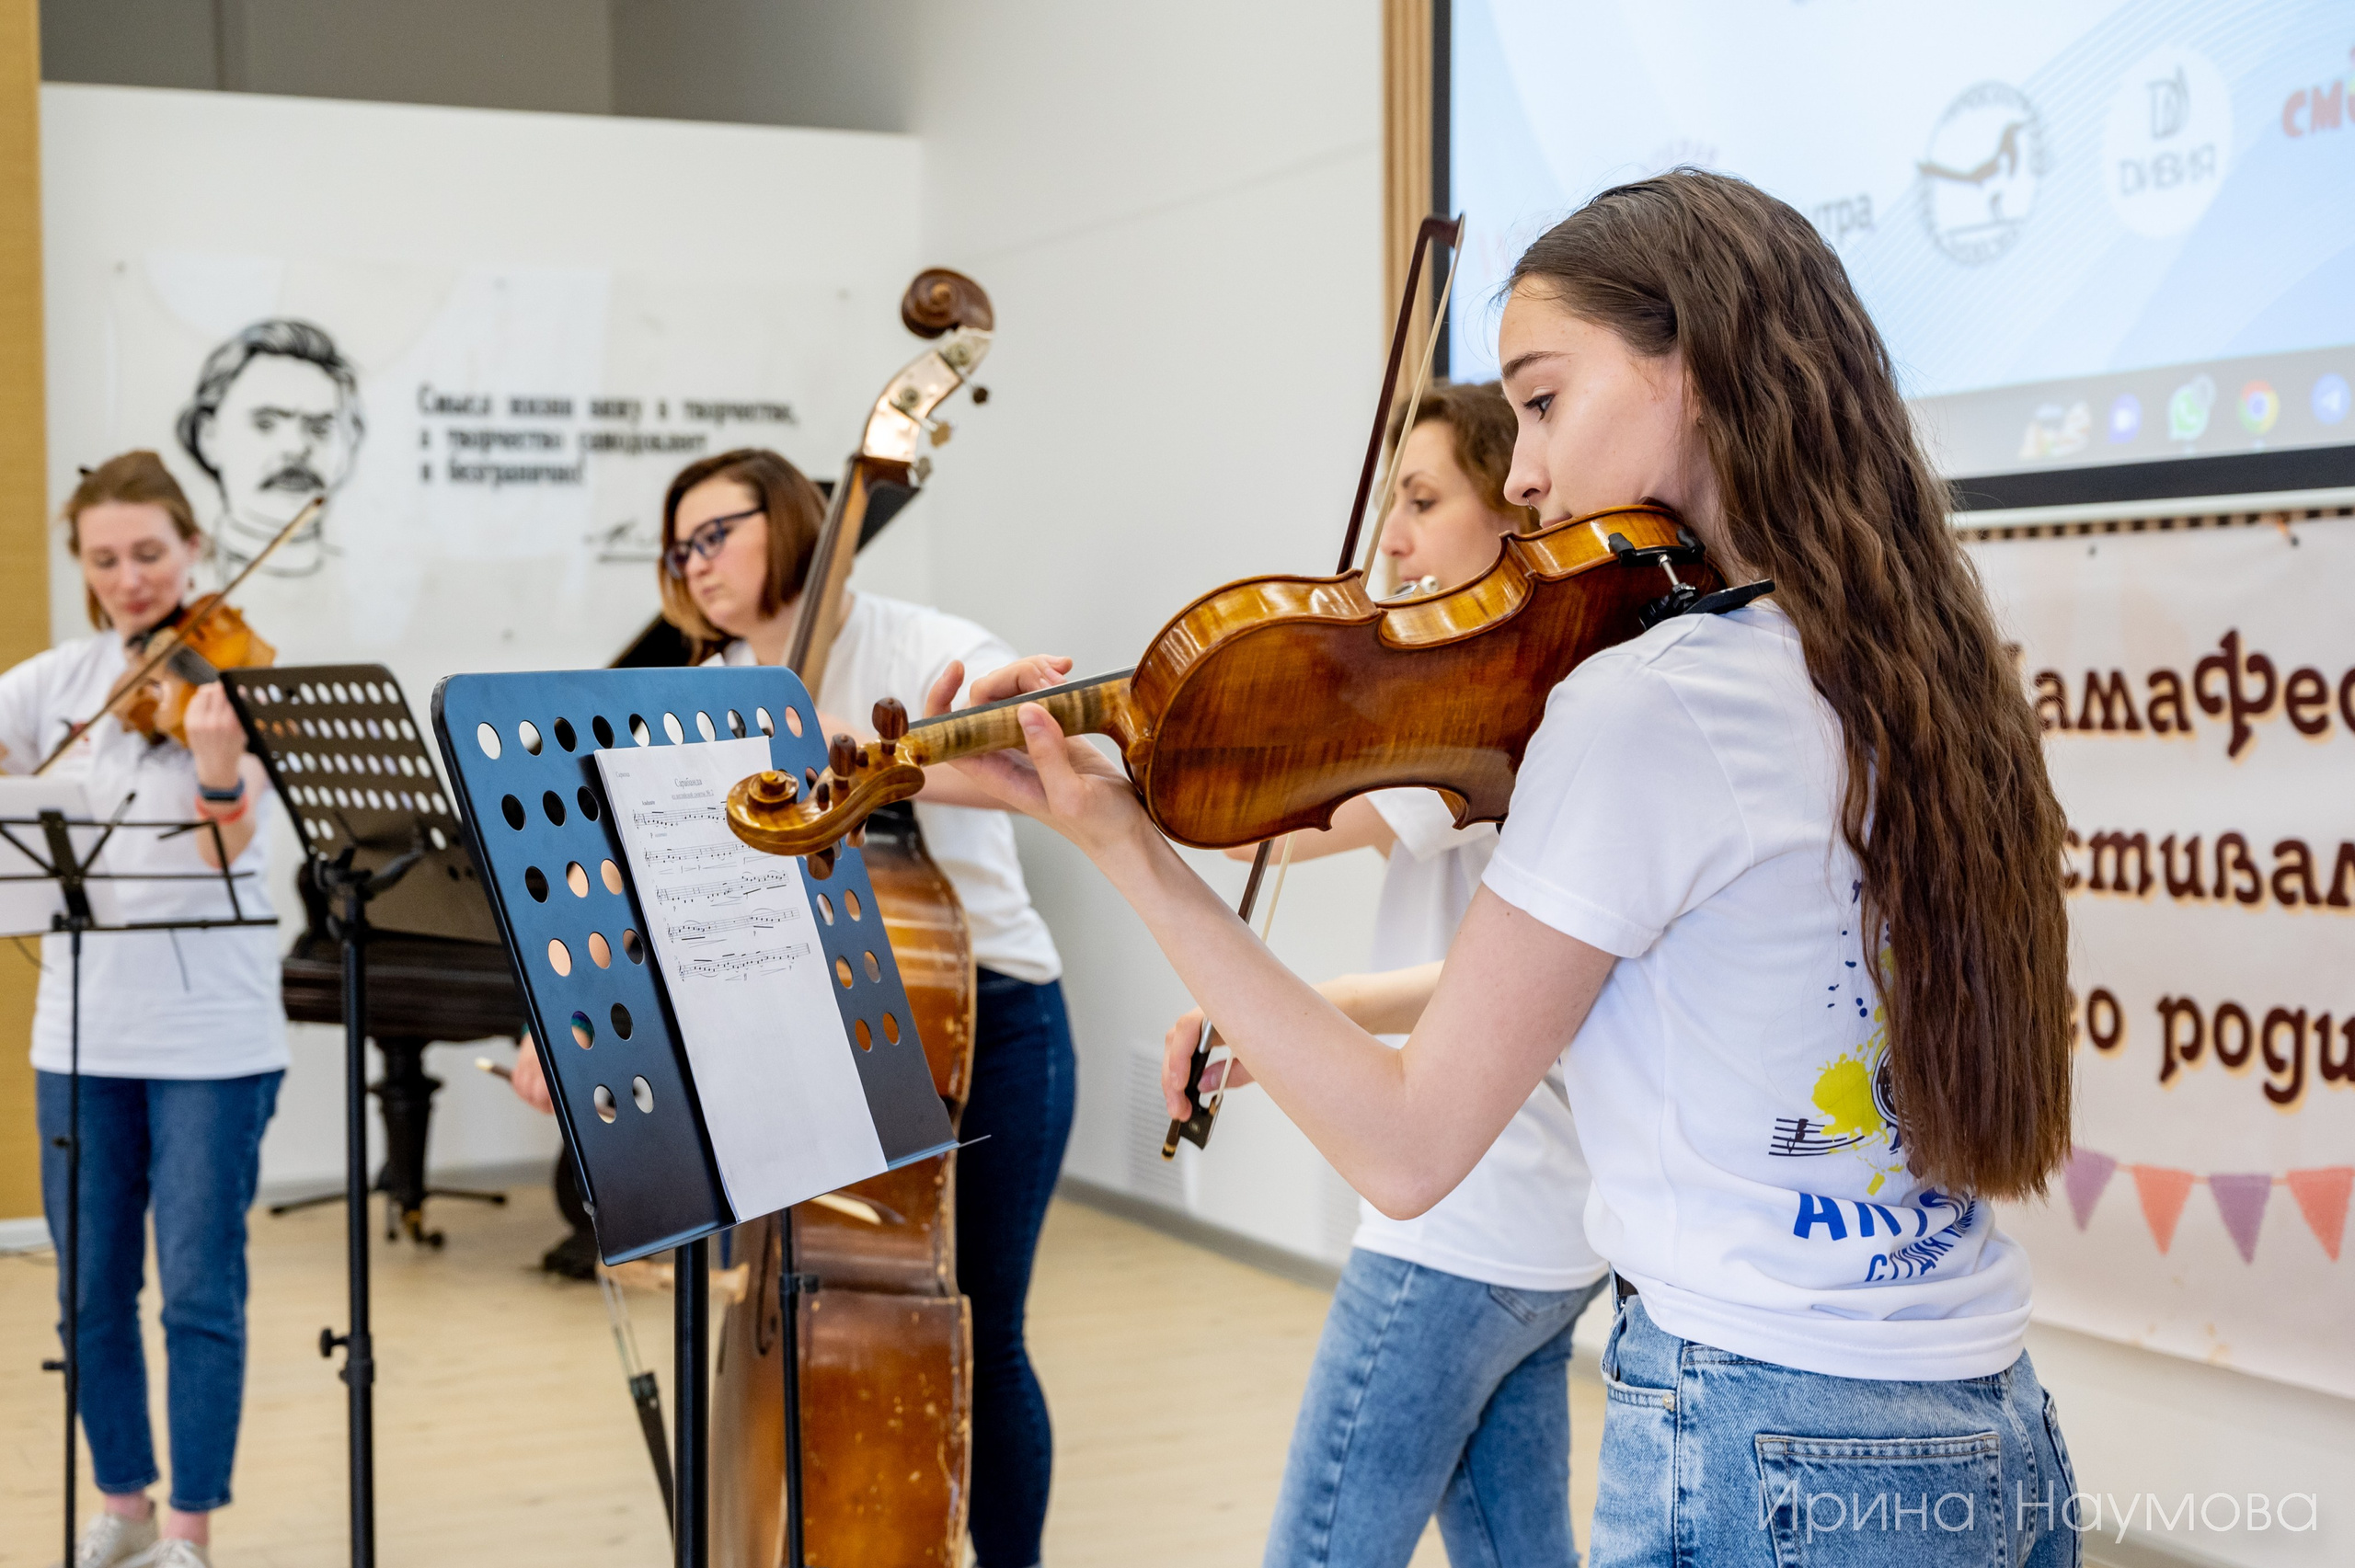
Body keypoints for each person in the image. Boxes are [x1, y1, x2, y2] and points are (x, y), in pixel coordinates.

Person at [941, 171, 2081, 1566]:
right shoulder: (1910, 664)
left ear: (1702, 368)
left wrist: (1124, 843)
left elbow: (1409, 1149)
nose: (1525, 469)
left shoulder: (1654, 700)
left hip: (1769, 1442)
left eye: (1544, 401)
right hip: (1991, 1421)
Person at [508, 447, 1074, 1568]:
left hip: (980, 1015)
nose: (694, 564)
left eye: (714, 534)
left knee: (978, 1325)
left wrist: (837, 753)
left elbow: (1034, 744)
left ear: (791, 521)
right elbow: (632, 860)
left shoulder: (922, 643)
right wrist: (560, 1009)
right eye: (677, 549)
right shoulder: (707, 681)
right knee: (805, 1303)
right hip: (791, 1027)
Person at [1170, 382, 1608, 1568]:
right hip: (1549, 1222)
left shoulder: (1483, 716)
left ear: (1515, 522)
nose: (1394, 544)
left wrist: (1155, 741)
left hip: (1464, 1222)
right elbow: (1473, 968)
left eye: (1420, 502)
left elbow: (1278, 822)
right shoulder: (1555, 701)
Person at [0, 452, 285, 1568]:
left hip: (212, 1032)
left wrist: (218, 764)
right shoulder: (50, 682)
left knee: (199, 1288)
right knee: (89, 1291)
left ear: (194, 550)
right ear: (81, 562)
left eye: (150, 554)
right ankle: (120, 1503)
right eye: (105, 557)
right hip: (78, 1027)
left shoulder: (240, 681)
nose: (129, 578)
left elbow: (230, 845)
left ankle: (188, 1532)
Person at [174, 318, 362, 578]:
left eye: (319, 429)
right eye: (265, 424)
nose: (297, 448)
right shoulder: (173, 586)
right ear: (209, 437)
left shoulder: (372, 584)